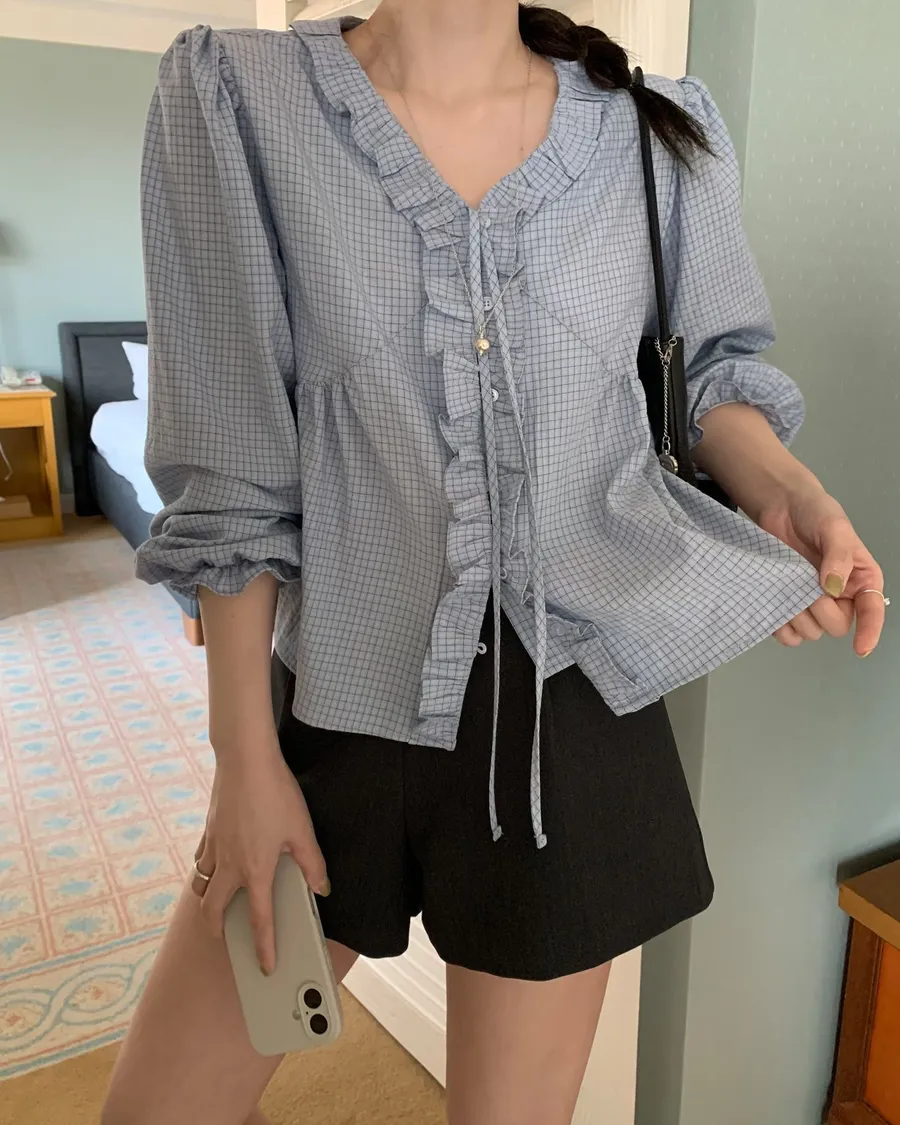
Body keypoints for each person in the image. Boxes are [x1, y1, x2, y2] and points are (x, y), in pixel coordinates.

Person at [101, 3, 887, 1123]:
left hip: (578, 714)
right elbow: (233, 463)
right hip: (338, 707)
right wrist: (243, 758)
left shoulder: (657, 130)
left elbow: (710, 378)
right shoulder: (236, 98)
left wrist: (789, 494)